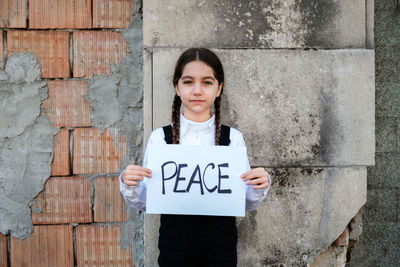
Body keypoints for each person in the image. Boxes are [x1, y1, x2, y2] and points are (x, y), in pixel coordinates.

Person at [119, 47, 271, 266]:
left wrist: (259, 185)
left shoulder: (233, 139)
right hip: (175, 250)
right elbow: (146, 201)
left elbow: (244, 202)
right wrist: (129, 182)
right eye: (188, 82)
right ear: (177, 88)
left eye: (207, 82)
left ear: (219, 88)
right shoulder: (161, 138)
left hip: (221, 251)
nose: (197, 90)